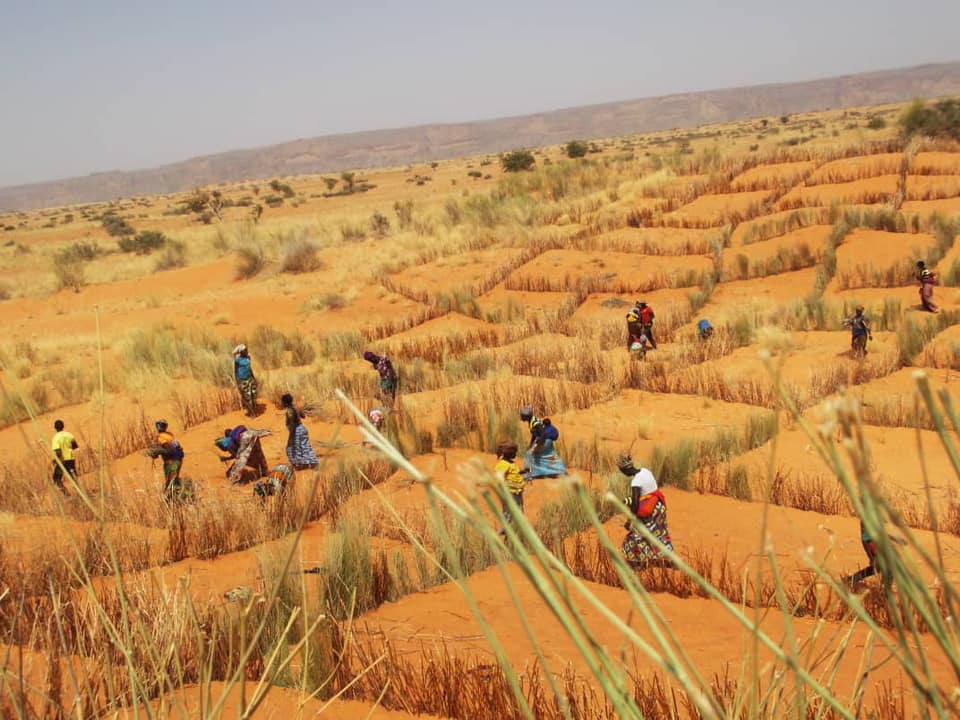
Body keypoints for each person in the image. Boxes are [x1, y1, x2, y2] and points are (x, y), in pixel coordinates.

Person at [617, 454, 674, 568]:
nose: (624, 474)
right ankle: (666, 561)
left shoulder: (635, 482)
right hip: (659, 507)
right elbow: (647, 492)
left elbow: (636, 503)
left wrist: (629, 521)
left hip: (649, 512)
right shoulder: (645, 471)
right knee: (660, 534)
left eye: (623, 472)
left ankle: (639, 563)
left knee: (635, 537)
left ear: (626, 470)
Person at [842, 519, 907, 587]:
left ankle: (851, 579)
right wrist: (871, 558)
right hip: (875, 551)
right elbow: (864, 540)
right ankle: (885, 589)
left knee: (876, 569)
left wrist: (895, 539)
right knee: (888, 569)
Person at [519, 406, 567, 479]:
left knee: (532, 454)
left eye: (522, 415)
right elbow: (535, 435)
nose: (521, 417)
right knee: (549, 455)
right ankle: (560, 470)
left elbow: (543, 434)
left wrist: (538, 446)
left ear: (526, 416)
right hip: (546, 441)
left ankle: (532, 474)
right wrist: (531, 444)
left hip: (545, 441)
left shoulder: (535, 422)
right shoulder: (532, 421)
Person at [494, 441, 529, 536]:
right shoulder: (503, 464)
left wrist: (523, 472)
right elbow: (499, 476)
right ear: (508, 453)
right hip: (509, 492)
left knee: (519, 510)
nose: (515, 454)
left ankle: (515, 528)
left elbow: (514, 473)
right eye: (514, 452)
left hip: (517, 492)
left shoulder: (511, 464)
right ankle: (506, 529)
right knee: (509, 511)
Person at [146, 419, 185, 496]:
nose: (159, 427)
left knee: (171, 482)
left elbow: (168, 449)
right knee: (174, 479)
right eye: (159, 425)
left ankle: (176, 498)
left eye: (161, 425)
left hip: (171, 461)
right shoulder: (169, 435)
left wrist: (156, 452)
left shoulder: (161, 437)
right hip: (178, 459)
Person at [281, 393, 318, 469]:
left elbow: (292, 422)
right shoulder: (296, 407)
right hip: (302, 428)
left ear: (285, 402)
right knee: (305, 446)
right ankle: (314, 462)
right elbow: (303, 416)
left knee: (291, 448)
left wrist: (291, 432)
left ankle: (298, 464)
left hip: (296, 430)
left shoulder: (289, 411)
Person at [51, 419, 78, 494]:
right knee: (73, 477)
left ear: (55, 428)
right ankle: (81, 493)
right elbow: (75, 447)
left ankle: (66, 494)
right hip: (71, 459)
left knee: (56, 478)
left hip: (62, 461)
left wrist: (55, 460)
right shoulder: (69, 435)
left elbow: (58, 452)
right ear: (63, 426)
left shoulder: (56, 438)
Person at [233, 344, 259, 416]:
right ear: (241, 352)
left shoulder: (248, 358)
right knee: (246, 397)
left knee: (253, 395)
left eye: (247, 350)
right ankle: (252, 413)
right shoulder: (237, 360)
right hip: (242, 380)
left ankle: (252, 410)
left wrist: (254, 378)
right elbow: (235, 372)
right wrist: (238, 383)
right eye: (245, 350)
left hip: (250, 378)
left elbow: (249, 369)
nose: (247, 351)